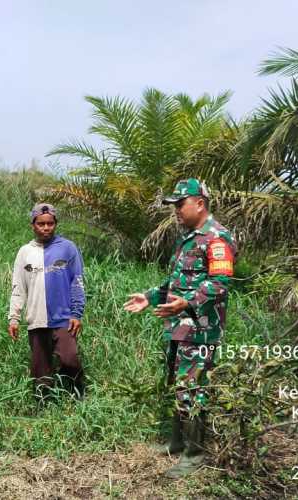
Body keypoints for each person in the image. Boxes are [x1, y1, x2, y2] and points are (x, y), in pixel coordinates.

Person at [123, 178, 235, 478]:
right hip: (178, 326)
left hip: (200, 329)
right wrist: (149, 297)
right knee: (178, 383)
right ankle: (177, 441)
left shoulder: (217, 237)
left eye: (180, 204)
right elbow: (177, 282)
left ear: (200, 203)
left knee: (193, 388)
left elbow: (219, 285)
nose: (176, 210)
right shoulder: (187, 237)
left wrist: (186, 304)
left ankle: (195, 454)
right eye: (173, 205)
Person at [8, 203, 86, 400]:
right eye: (41, 223)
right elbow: (18, 287)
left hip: (63, 318)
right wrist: (14, 318)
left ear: (55, 224)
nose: (45, 228)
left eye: (50, 223)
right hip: (37, 320)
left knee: (70, 360)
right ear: (32, 225)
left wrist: (77, 313)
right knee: (41, 373)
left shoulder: (68, 248)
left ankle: (79, 396)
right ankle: (43, 407)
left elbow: (77, 281)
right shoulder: (25, 252)